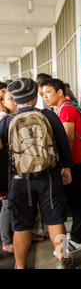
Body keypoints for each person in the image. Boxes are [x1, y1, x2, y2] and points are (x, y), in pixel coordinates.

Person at [0, 78, 73, 269]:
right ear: (34, 97)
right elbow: (63, 144)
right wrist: (66, 167)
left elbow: (2, 157)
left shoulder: (6, 121)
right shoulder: (48, 116)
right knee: (55, 219)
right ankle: (61, 260)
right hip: (48, 176)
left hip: (18, 179)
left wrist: (2, 186)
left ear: (14, 99)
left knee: (21, 226)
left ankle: (21, 266)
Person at [41, 78, 81, 254]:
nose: (44, 97)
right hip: (79, 158)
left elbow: (68, 141)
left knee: (77, 200)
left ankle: (78, 238)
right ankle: (80, 233)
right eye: (43, 93)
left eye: (48, 92)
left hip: (76, 161)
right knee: (78, 198)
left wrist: (64, 165)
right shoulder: (67, 106)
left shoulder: (67, 109)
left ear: (59, 92)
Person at [0, 88, 17, 253]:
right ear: (2, 102)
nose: (15, 102)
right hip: (4, 171)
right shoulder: (5, 121)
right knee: (6, 204)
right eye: (11, 99)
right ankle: (6, 240)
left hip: (8, 170)